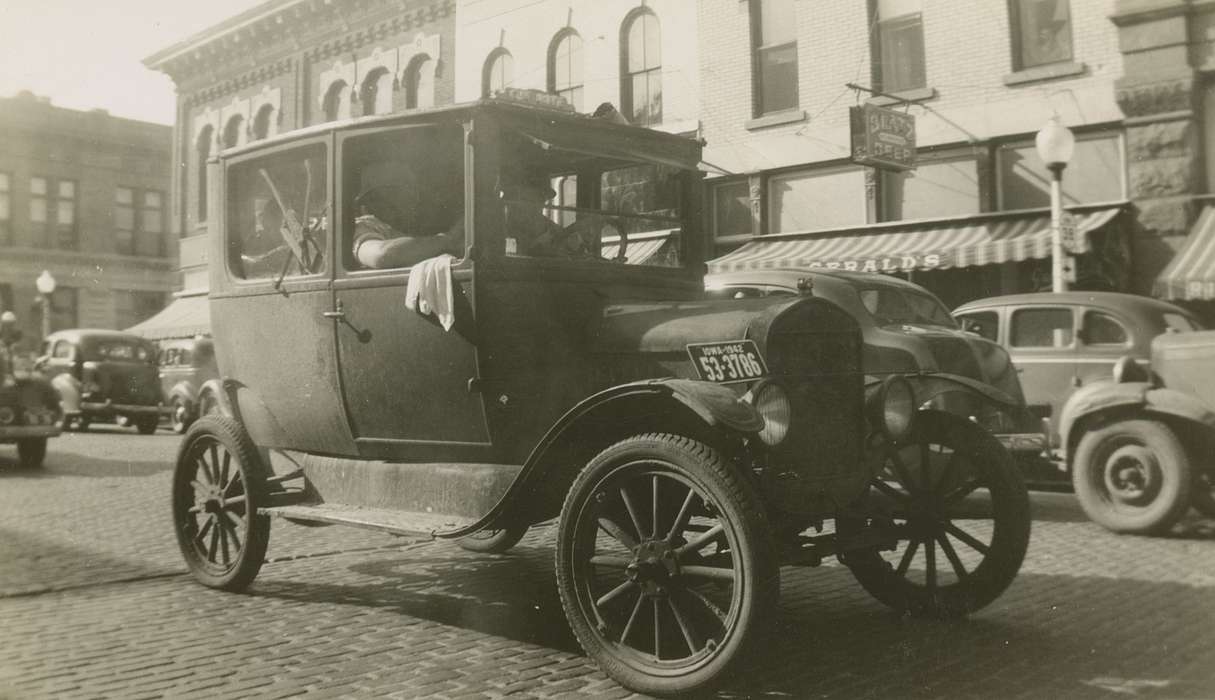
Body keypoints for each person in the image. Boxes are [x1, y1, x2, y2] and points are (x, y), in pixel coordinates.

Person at [353, 160, 464, 268]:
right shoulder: (365, 226)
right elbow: (382, 256)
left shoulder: (423, 224)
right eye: (374, 198)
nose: (383, 203)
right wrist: (448, 240)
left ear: (413, 195)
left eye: (392, 193)